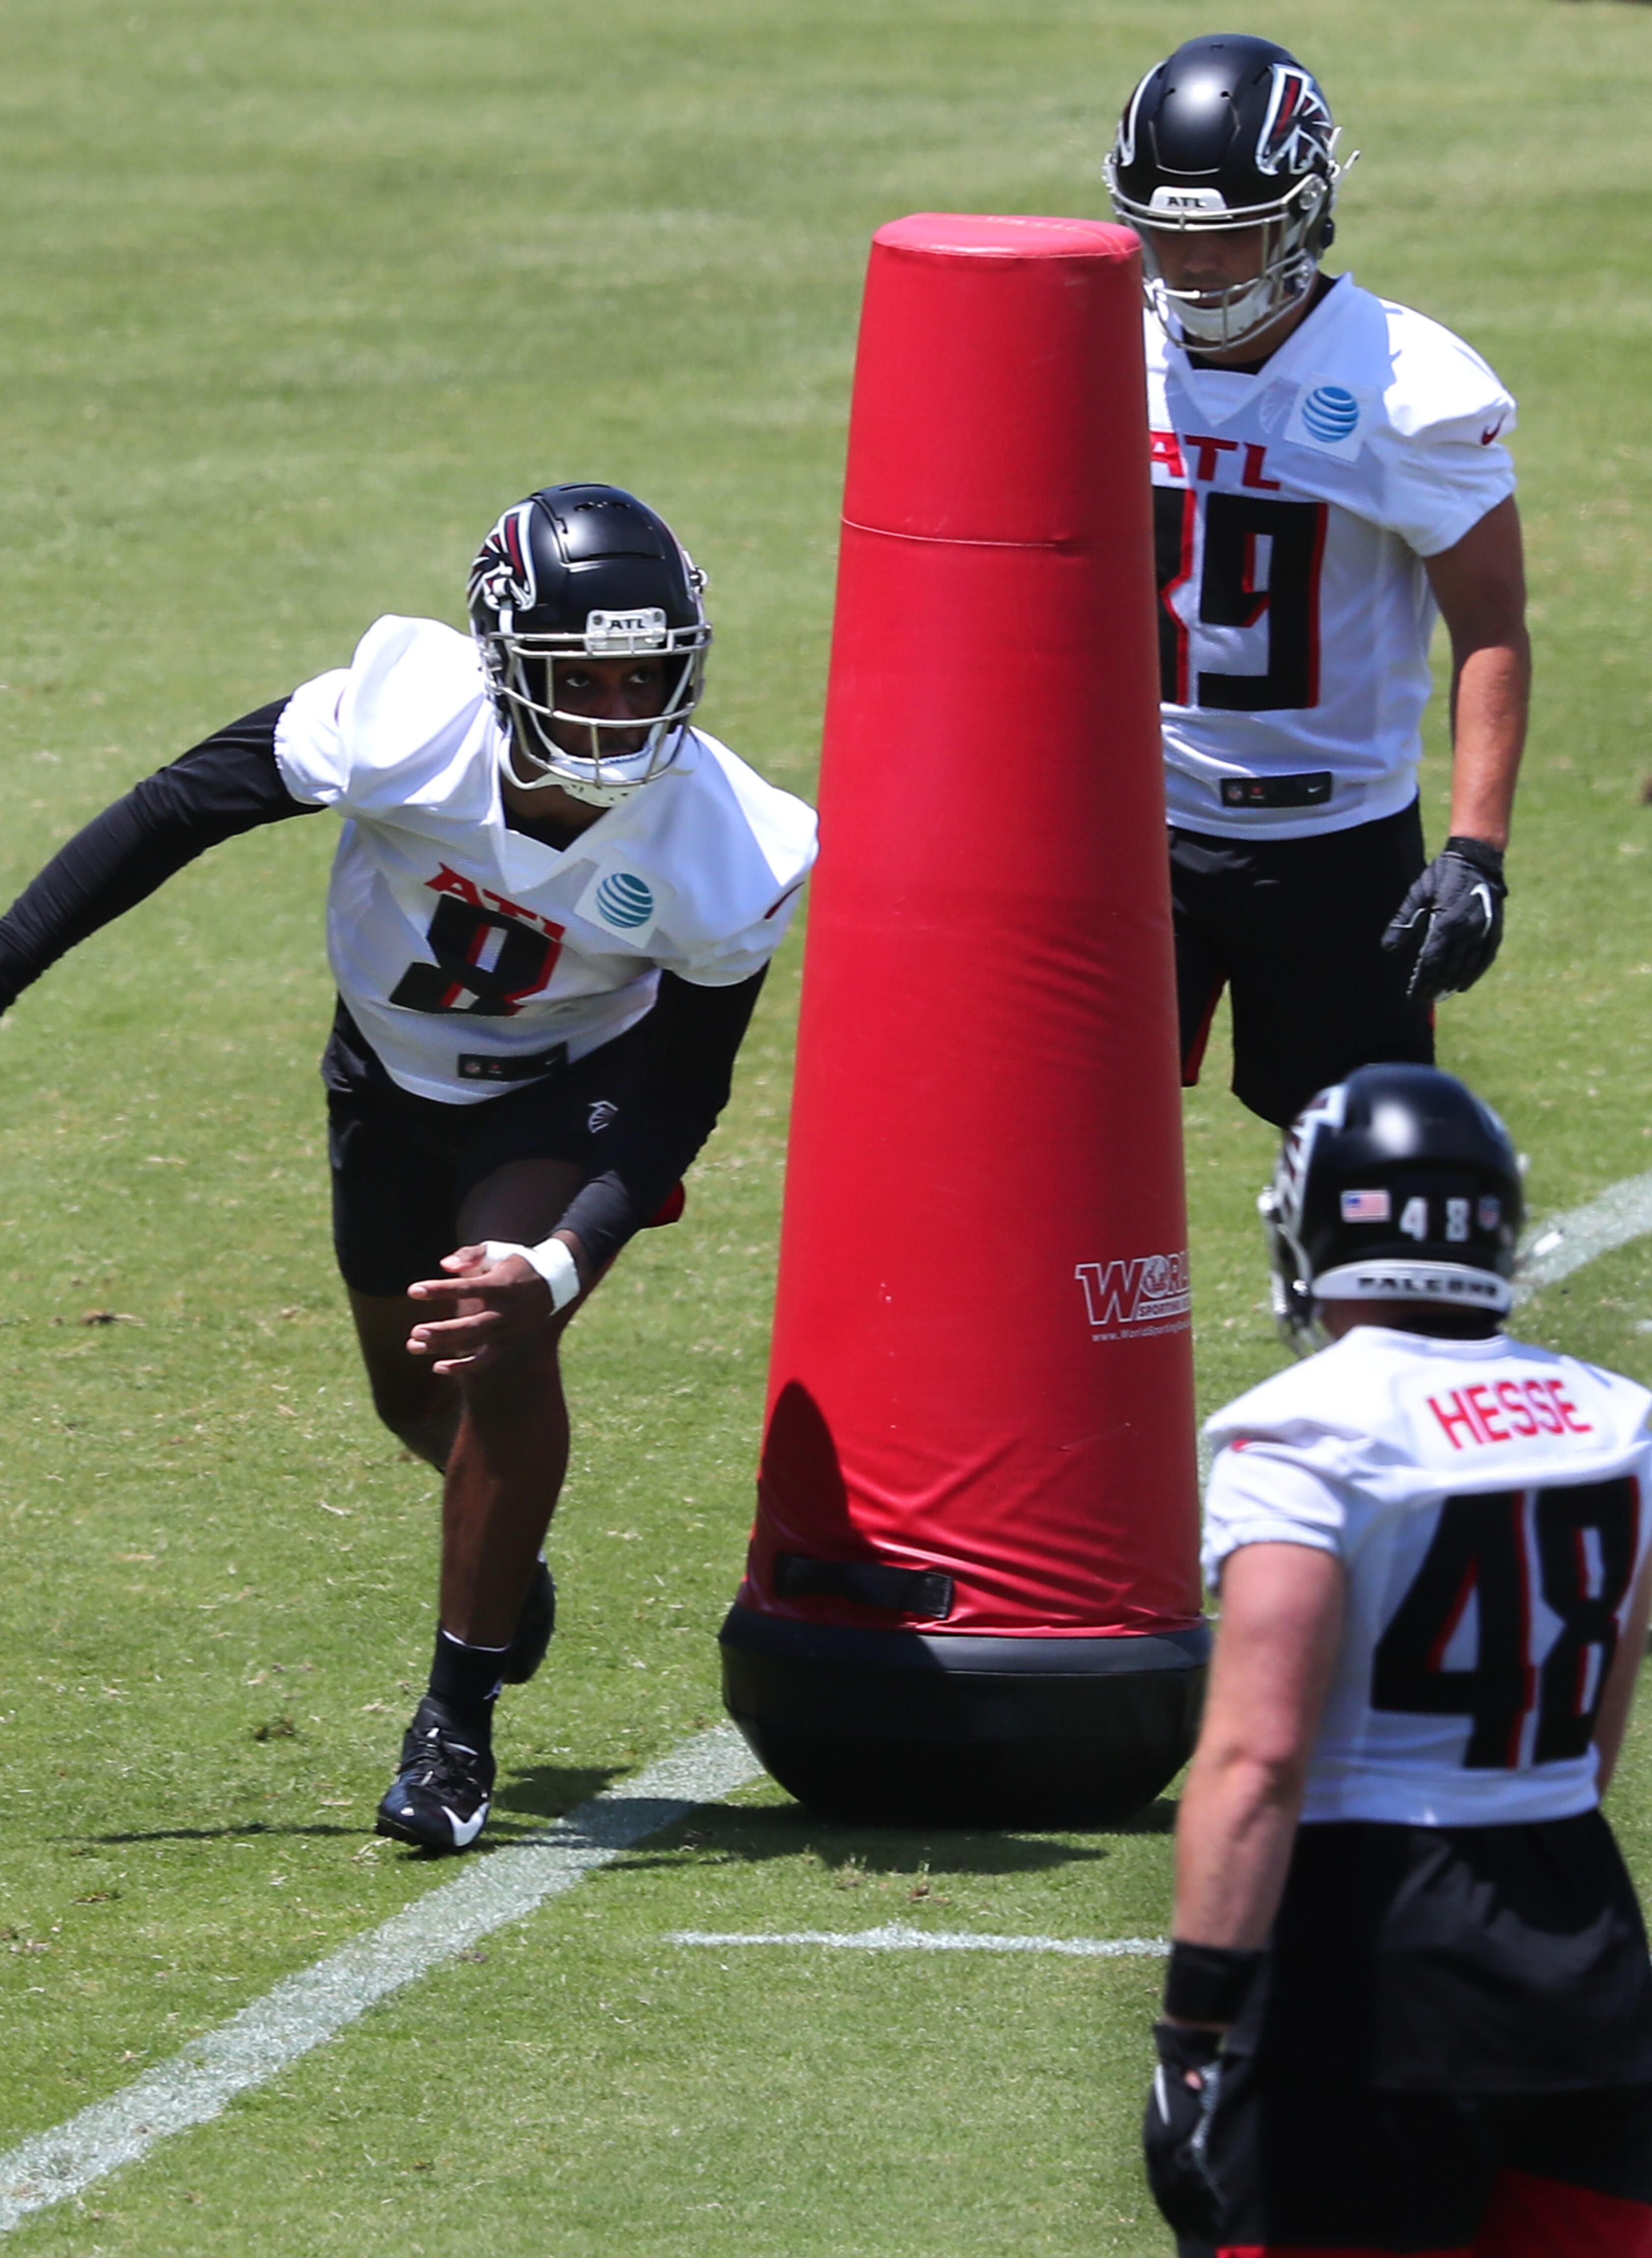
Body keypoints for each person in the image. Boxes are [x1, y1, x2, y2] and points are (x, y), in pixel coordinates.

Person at [0, 481, 817, 1854]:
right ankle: (503, 1560)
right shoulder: (403, 716)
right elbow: (177, 810)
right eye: (579, 672)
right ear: (500, 665)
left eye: (649, 669)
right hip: (387, 1075)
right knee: (412, 1401)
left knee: (494, 1335)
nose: (618, 701)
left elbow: (682, 1092)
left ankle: (454, 1726)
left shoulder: (731, 843)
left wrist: (563, 1257)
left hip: (571, 1089)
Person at [1144, 1063, 1652, 2253]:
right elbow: (1597, 1732)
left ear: (1315, 1227)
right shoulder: (1620, 1423)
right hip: (1580, 1935)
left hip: (1368, 1958)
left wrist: (1190, 2034)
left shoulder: (1307, 1435)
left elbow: (1259, 1757)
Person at [1103, 37, 1530, 1129]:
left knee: (1363, 1153)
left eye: (1230, 233)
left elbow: (1489, 620)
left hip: (1335, 843)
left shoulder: (1410, 386)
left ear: (1301, 211)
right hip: (1129, 827)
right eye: (1167, 234)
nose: (1193, 268)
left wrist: (1477, 851)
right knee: (1064, 1137)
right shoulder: (1094, 344)